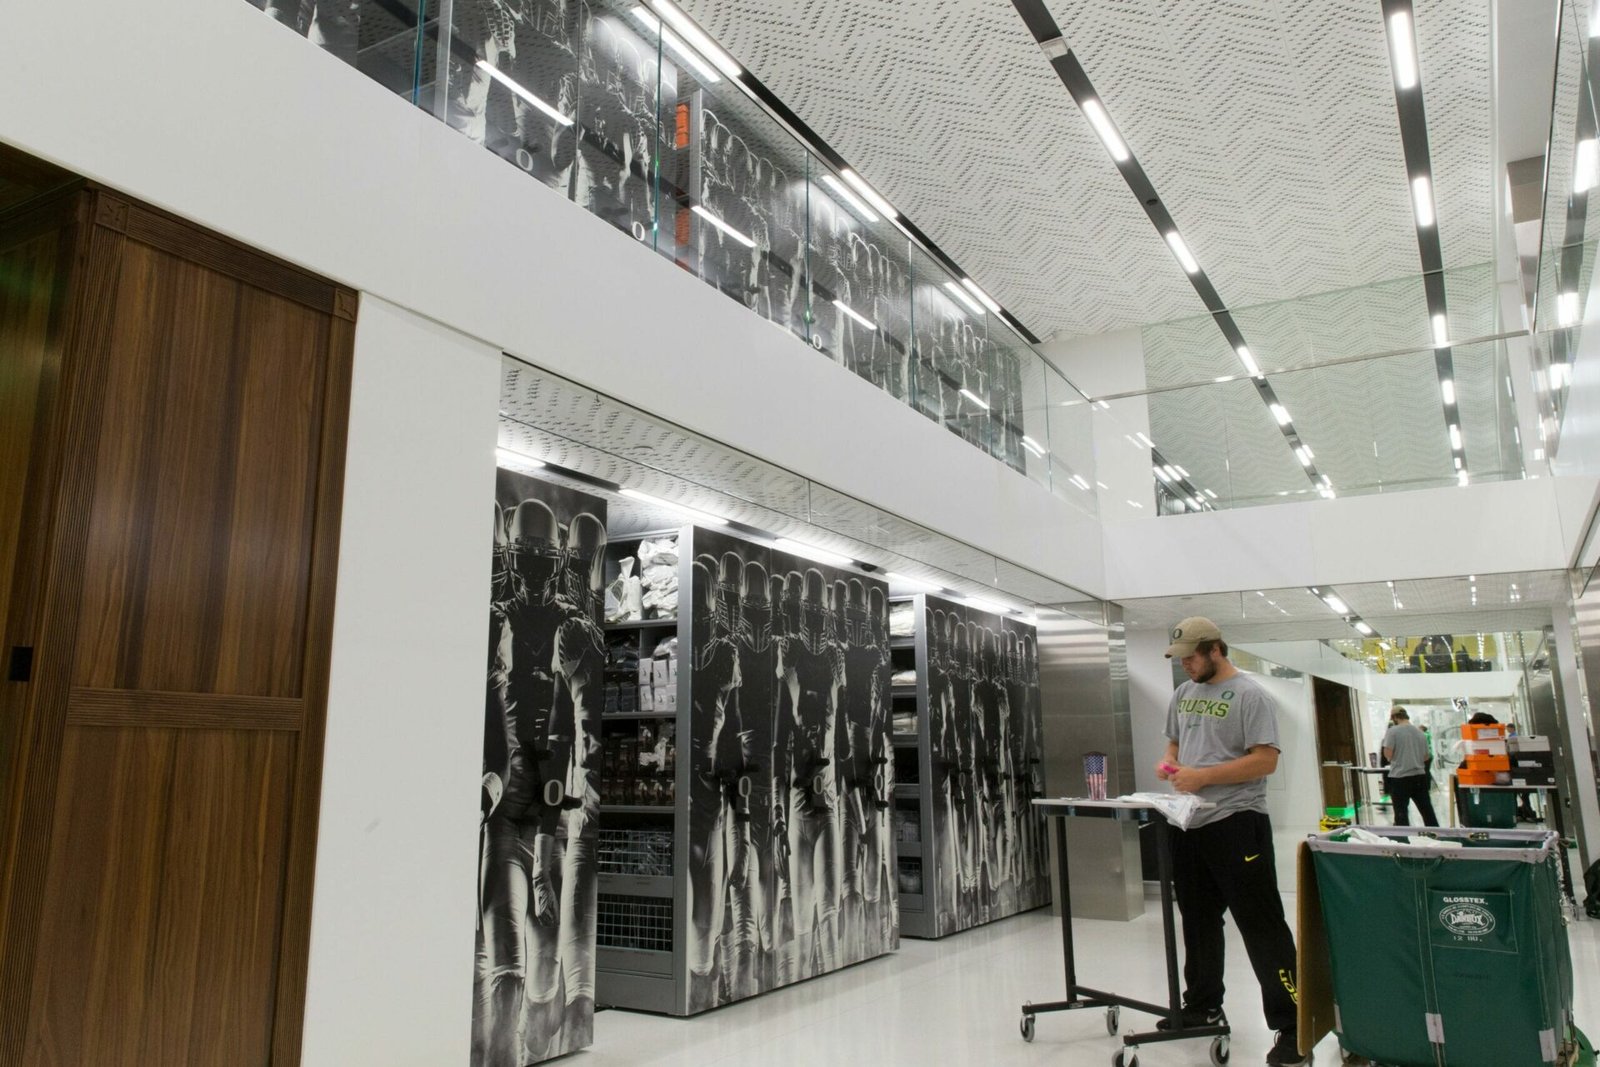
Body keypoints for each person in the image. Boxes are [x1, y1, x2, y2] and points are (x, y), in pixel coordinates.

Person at [1156, 617, 1305, 1067]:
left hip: (1238, 823)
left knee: (1260, 924)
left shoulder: (1251, 695)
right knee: (1198, 920)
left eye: (1191, 657)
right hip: (1190, 822)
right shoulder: (1183, 694)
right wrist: (1172, 768)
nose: (1185, 666)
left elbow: (1265, 761)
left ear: (1215, 649)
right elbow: (1173, 747)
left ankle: (1294, 1026)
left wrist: (1202, 776)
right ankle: (1202, 1005)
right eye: (1180, 659)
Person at [1382, 708, 1438, 827]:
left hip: (1400, 777)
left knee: (1401, 813)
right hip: (1419, 776)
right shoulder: (1420, 732)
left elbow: (1388, 754)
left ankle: (1404, 840)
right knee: (1427, 810)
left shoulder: (1392, 732)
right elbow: (1426, 756)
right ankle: (1437, 835)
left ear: (1395, 718)